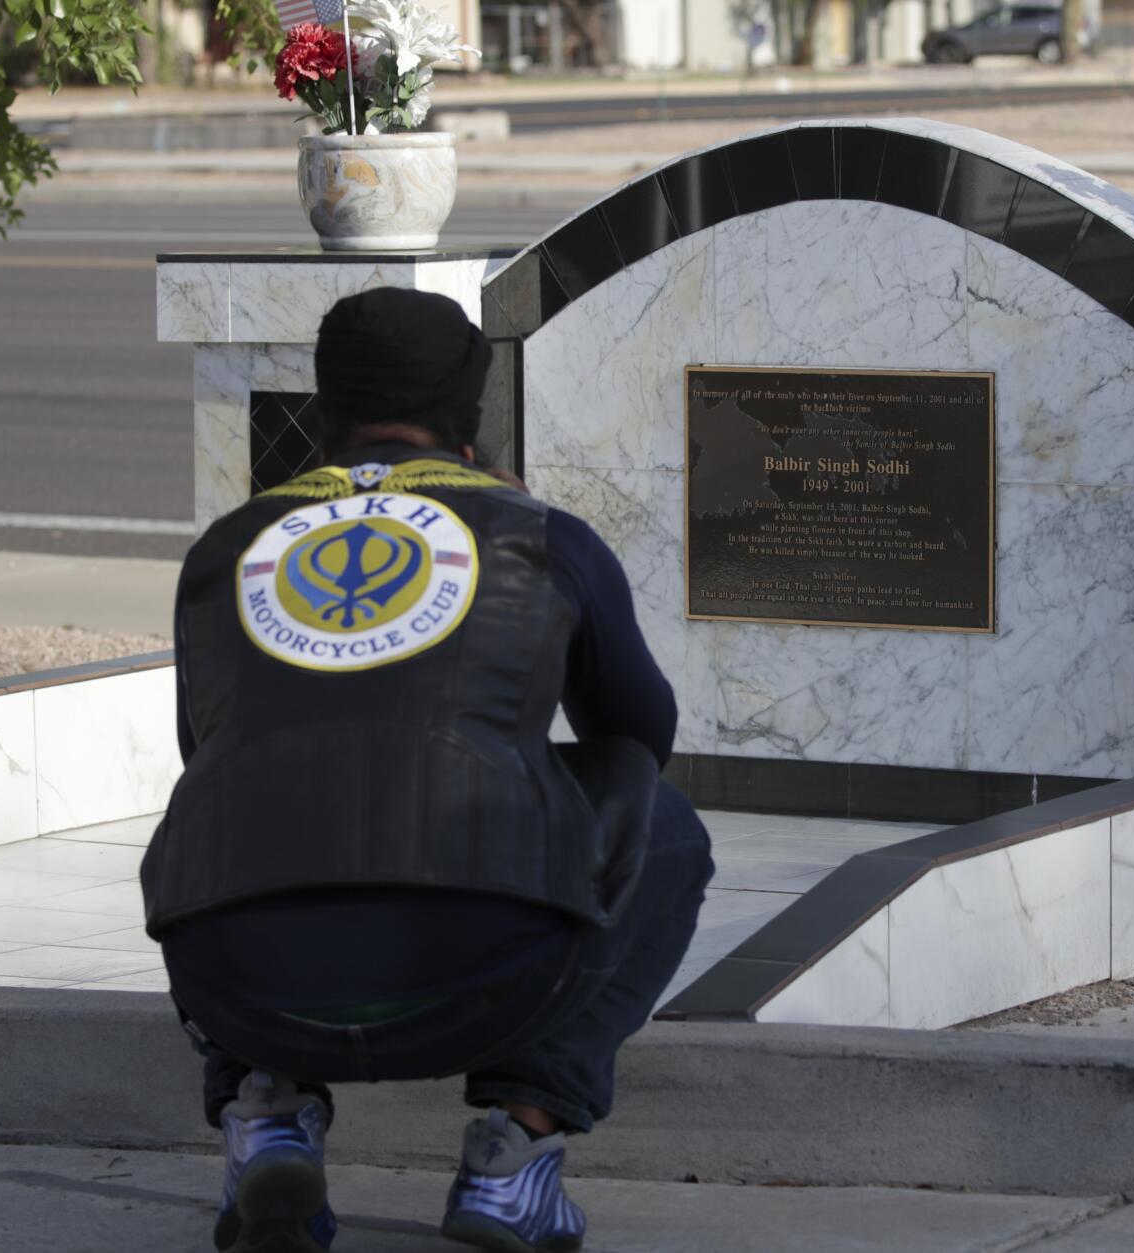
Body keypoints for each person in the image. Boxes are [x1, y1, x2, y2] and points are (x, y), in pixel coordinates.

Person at [139, 286, 714, 1253]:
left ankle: (265, 1111)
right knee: (660, 819)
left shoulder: (224, 550)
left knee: (234, 795)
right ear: (470, 413)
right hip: (487, 972)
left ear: (324, 407)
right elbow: (638, 733)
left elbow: (207, 747)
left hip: (241, 985)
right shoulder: (539, 536)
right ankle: (514, 1155)